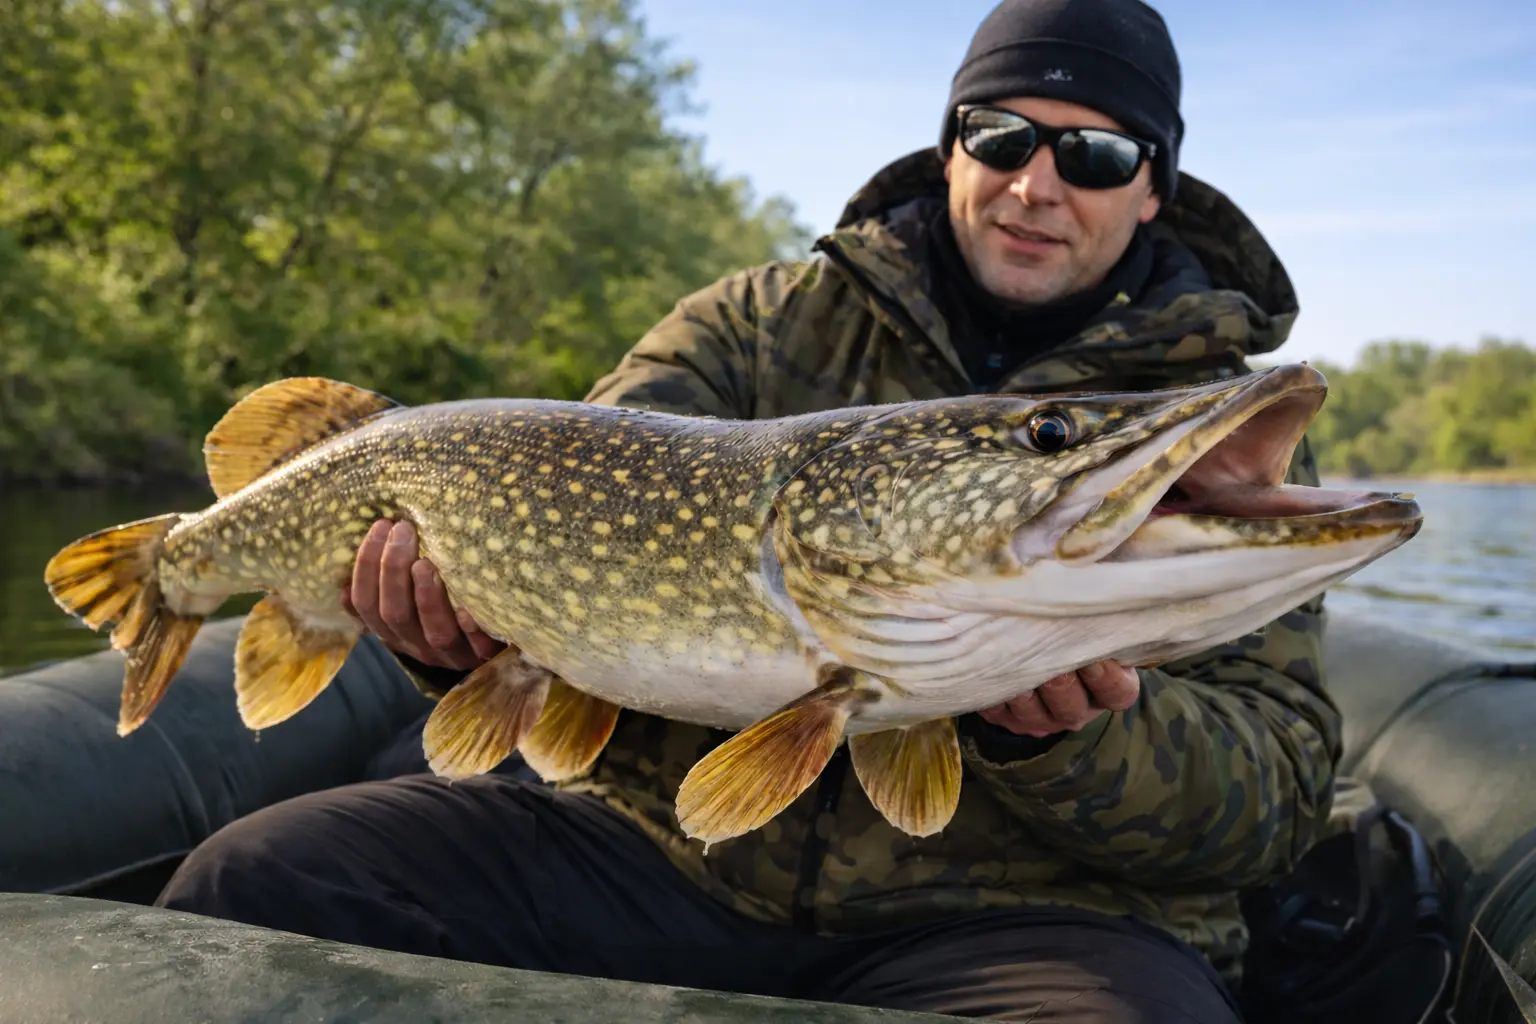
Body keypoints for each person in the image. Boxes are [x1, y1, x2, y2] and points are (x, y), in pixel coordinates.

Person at [156, 1, 1340, 1020]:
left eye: (1093, 157)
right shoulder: (754, 327)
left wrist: (1074, 736)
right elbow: (562, 567)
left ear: (1151, 194)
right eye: (1003, 135)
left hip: (1013, 923)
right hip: (658, 855)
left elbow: (1271, 801)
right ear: (951, 151)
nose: (1038, 184)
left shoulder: (1199, 447)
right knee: (258, 882)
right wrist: (450, 632)